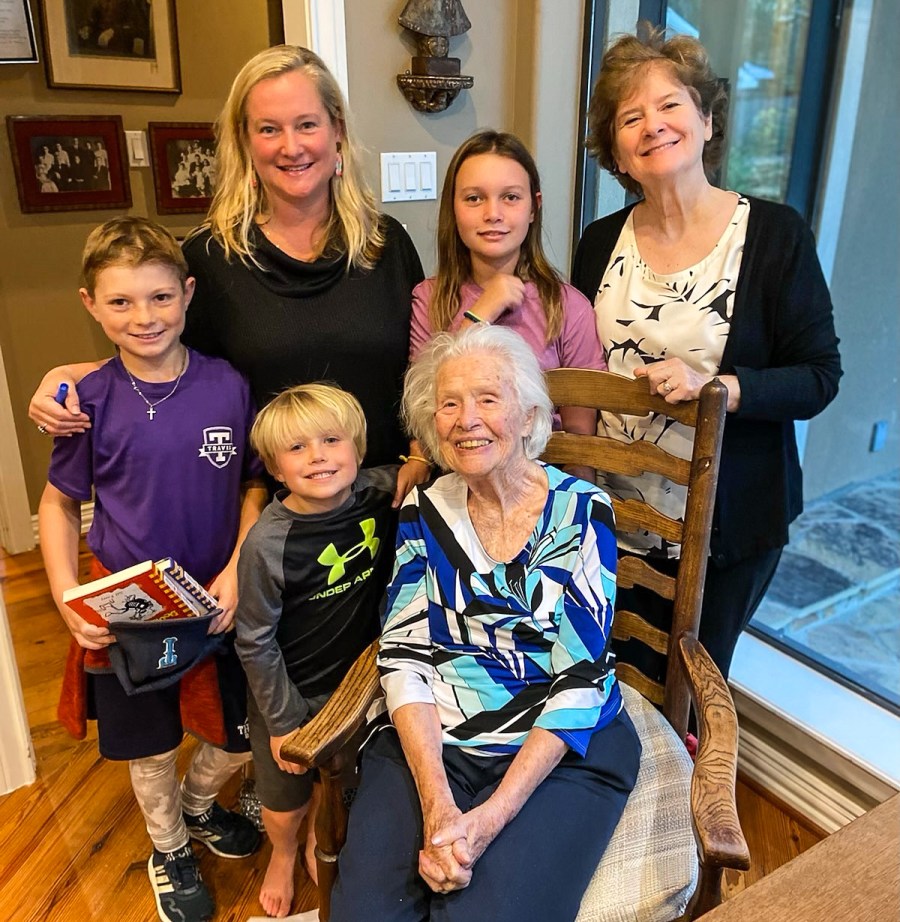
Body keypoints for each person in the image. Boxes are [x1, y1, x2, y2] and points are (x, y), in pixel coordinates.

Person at [330, 325, 641, 922]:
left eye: (488, 399)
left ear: (529, 417)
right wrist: (438, 803)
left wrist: (491, 817)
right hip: (437, 741)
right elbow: (404, 654)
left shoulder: (584, 511)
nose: (466, 419)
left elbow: (580, 677)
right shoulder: (423, 510)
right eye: (449, 403)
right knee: (366, 914)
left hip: (559, 749)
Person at [29, 45, 428, 505]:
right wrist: (67, 375)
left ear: (336, 129)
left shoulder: (386, 243)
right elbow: (165, 364)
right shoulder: (210, 257)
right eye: (269, 129)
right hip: (270, 513)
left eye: (307, 124)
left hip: (393, 499)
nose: (291, 146)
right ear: (245, 140)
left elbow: (420, 369)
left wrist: (419, 455)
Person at [571, 24, 842, 682]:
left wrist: (716, 386)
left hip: (725, 525)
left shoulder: (775, 235)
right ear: (617, 154)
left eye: (670, 104)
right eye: (630, 118)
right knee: (613, 682)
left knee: (689, 692)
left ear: (706, 120)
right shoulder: (598, 242)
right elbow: (578, 365)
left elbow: (818, 378)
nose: (653, 125)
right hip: (614, 519)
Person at [38, 217, 267, 922]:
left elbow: (253, 485)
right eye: (122, 301)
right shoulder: (88, 400)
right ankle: (168, 847)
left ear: (188, 293)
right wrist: (68, 595)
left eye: (161, 297)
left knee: (237, 729)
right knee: (151, 742)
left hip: (216, 593)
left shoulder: (227, 385)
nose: (145, 317)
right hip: (128, 600)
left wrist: (238, 567)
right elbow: (58, 502)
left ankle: (198, 806)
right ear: (91, 305)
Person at [234, 383, 399, 918]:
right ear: (275, 470)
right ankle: (284, 850)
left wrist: (417, 465)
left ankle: (315, 837)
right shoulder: (267, 544)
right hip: (287, 690)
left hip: (356, 684)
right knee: (285, 799)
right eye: (297, 448)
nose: (318, 456)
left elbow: (415, 472)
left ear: (358, 448)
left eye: (331, 440)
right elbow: (254, 639)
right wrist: (283, 721)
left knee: (341, 781)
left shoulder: (380, 493)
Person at [410, 129, 607, 480]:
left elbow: (581, 444)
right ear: (453, 208)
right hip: (454, 478)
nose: (493, 213)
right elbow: (426, 407)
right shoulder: (429, 299)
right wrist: (481, 312)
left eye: (511, 197)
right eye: (474, 198)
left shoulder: (567, 307)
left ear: (534, 207)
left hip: (543, 482)